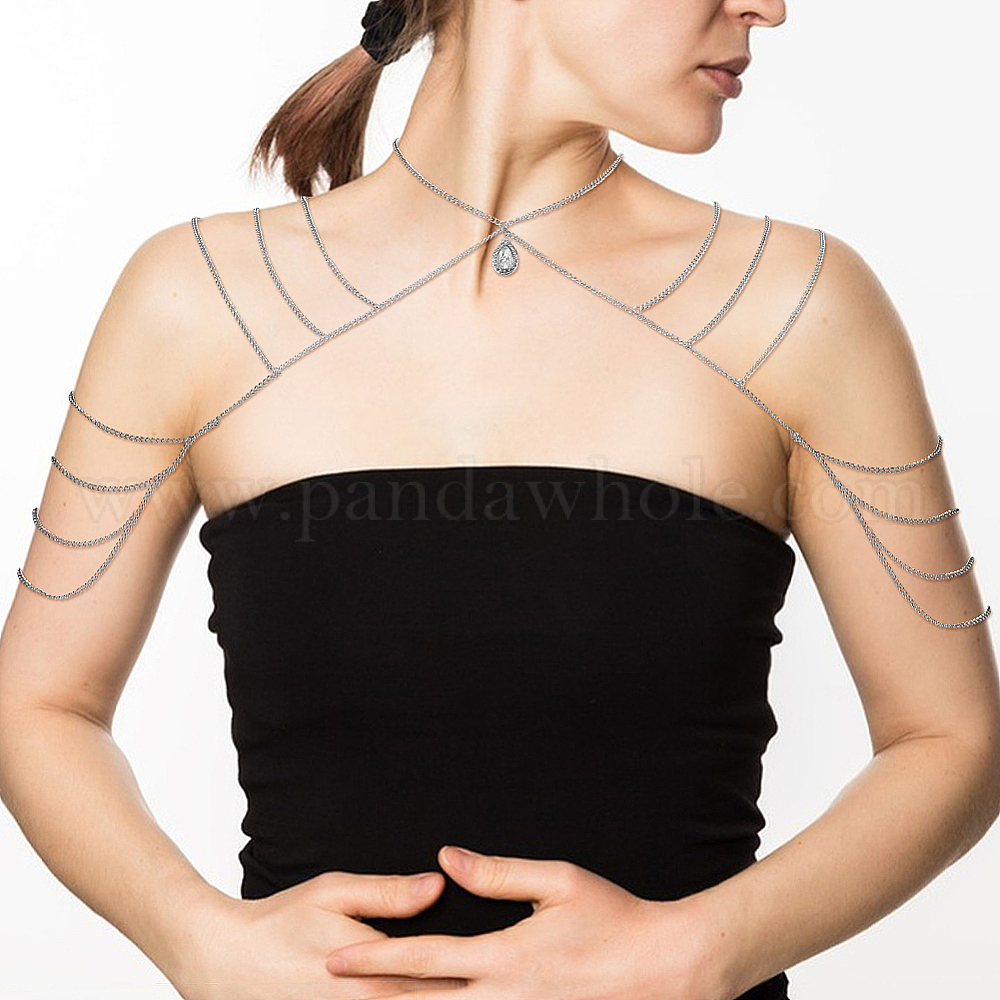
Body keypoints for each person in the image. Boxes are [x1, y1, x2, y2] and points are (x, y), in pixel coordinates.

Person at [0, 1, 997, 998]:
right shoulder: (202, 297)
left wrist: (698, 951)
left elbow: (954, 740)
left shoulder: (794, 305)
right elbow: (39, 703)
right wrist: (196, 940)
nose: (767, 8)